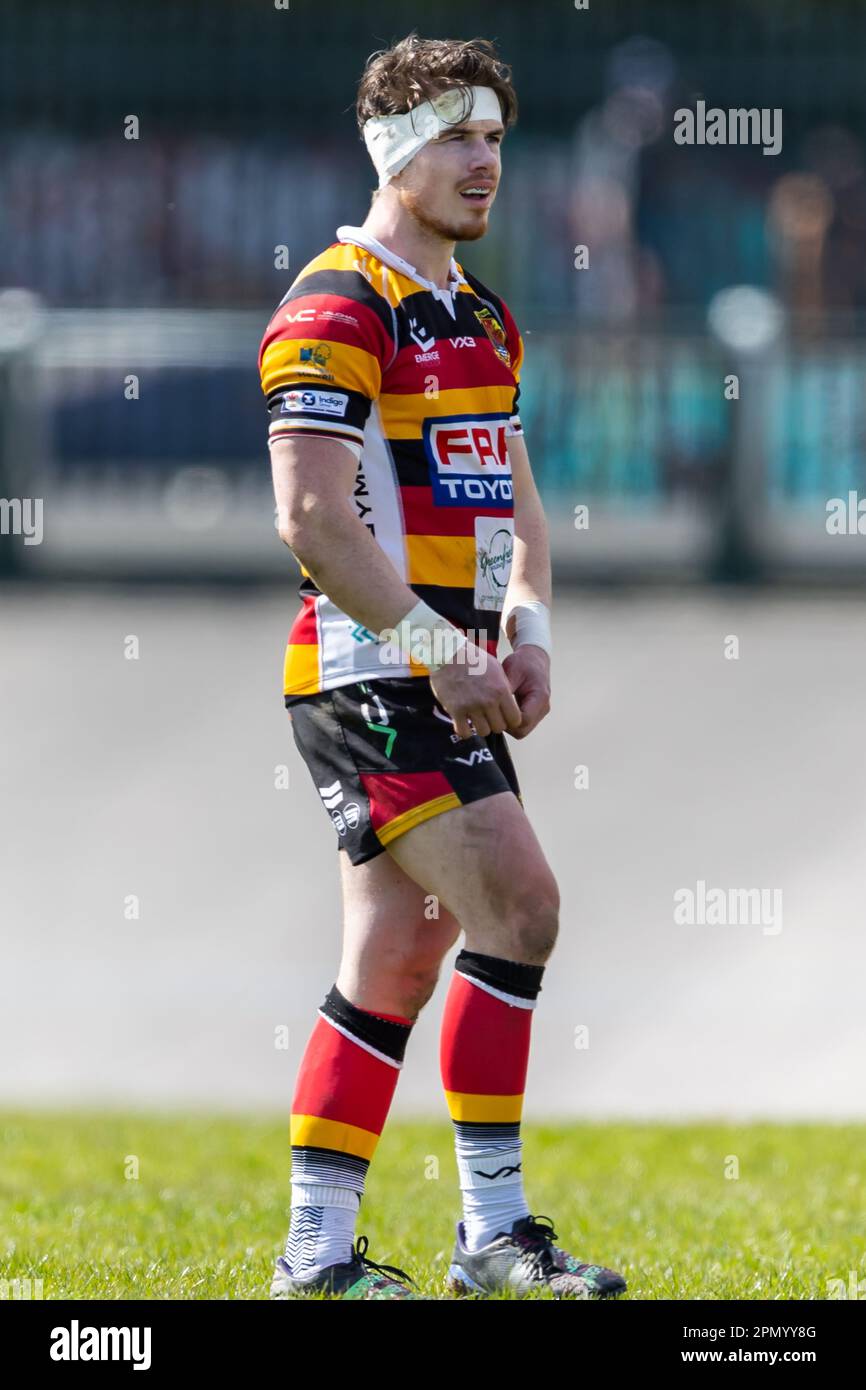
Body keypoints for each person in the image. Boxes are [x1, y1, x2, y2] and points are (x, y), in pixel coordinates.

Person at [258, 32, 626, 1301]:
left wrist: (525, 633)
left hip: (447, 673)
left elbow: (520, 511)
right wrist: (437, 653)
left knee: (397, 959)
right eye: (461, 137)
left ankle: (316, 1255)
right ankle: (493, 1235)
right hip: (369, 674)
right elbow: (310, 519)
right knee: (520, 906)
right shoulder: (333, 305)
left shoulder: (482, 315)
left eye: (496, 140)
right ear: (393, 149)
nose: (487, 164)